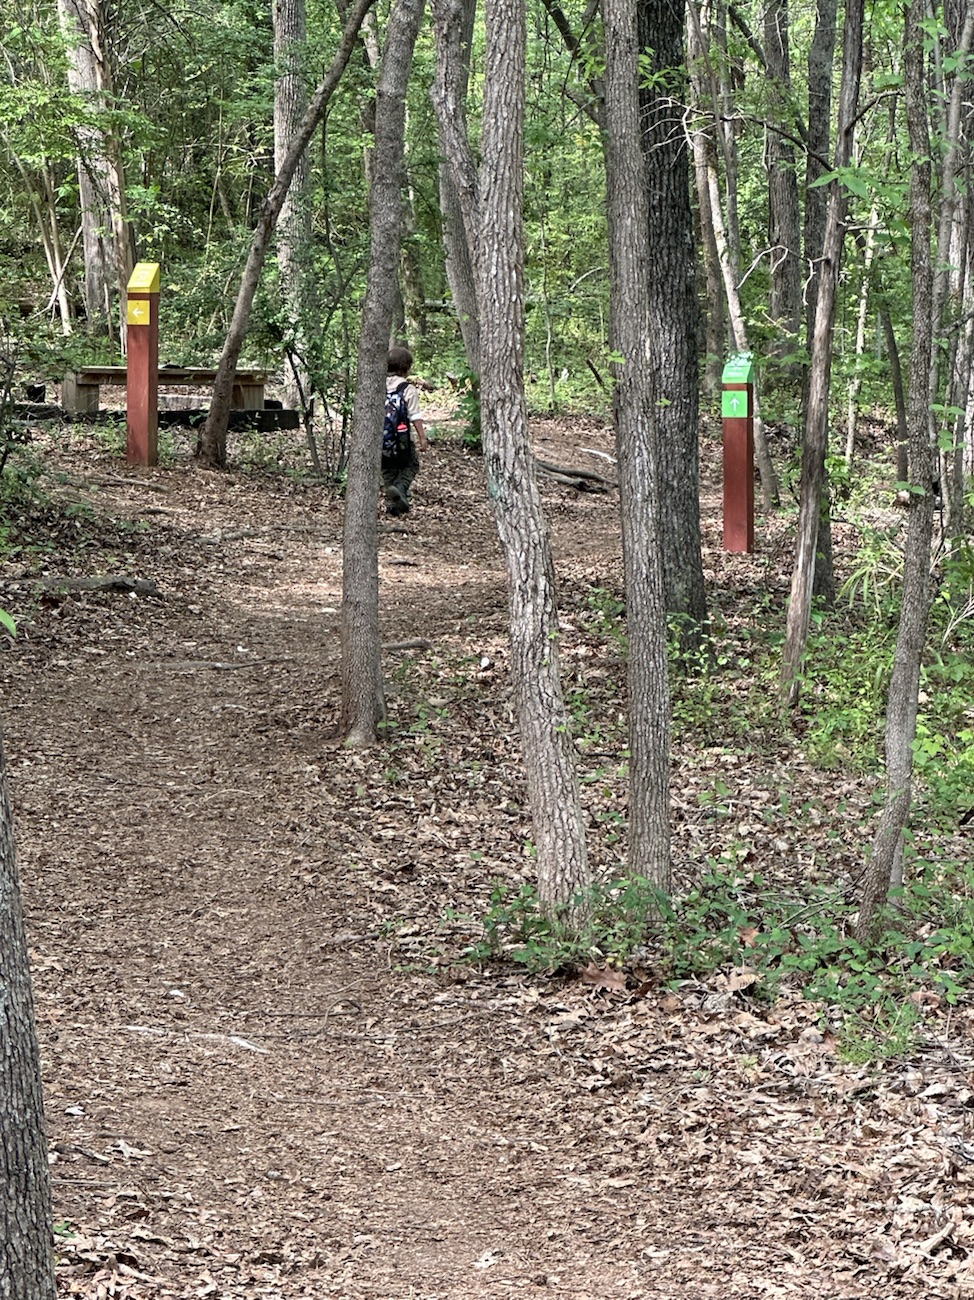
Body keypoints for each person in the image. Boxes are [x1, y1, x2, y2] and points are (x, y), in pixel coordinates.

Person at [382, 346, 428, 517]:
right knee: (411, 465)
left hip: (382, 438)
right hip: (402, 438)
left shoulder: (379, 385)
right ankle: (400, 488)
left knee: (388, 470)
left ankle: (392, 506)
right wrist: (422, 438)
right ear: (406, 367)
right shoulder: (407, 389)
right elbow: (415, 415)